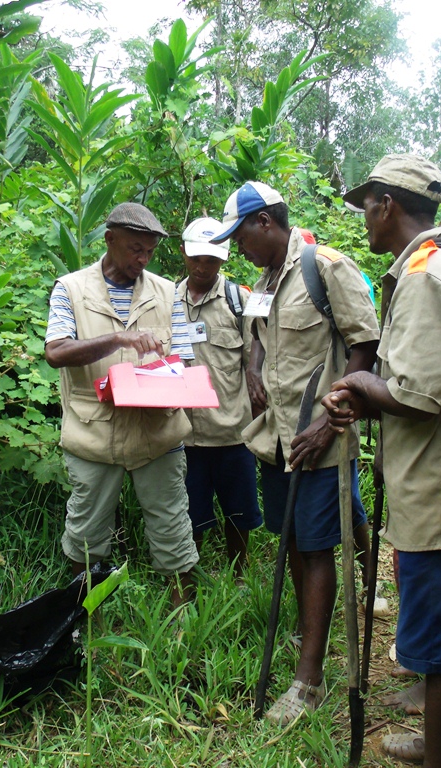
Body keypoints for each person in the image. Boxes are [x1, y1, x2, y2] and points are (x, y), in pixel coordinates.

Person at [323, 154, 441, 768]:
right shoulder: (433, 266)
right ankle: (432, 700)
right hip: (431, 466)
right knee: (431, 605)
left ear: (386, 204)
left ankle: (439, 751)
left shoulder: (428, 276)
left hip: (440, 477)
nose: (364, 217)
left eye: (367, 205)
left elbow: (416, 397)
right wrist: (366, 398)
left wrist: (359, 388)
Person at [210, 181, 380, 725]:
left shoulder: (325, 268)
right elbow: (260, 335)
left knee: (316, 547)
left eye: (241, 236)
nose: (238, 248)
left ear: (265, 222)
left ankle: (308, 680)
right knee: (294, 543)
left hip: (320, 442)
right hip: (277, 439)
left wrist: (330, 426)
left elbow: (366, 347)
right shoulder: (262, 280)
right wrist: (255, 370)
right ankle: (311, 633)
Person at [44, 202, 199, 608]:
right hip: (93, 432)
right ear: (109, 239)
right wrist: (118, 340)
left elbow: (182, 358)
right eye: (134, 249)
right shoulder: (71, 289)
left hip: (158, 433)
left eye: (148, 251)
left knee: (172, 526)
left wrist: (157, 379)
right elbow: (56, 352)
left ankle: (183, 620)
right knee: (86, 534)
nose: (142, 259)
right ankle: (84, 618)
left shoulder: (168, 292)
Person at [177, 217, 262, 581]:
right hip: (184, 433)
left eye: (210, 260)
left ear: (223, 260)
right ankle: (190, 575)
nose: (202, 267)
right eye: (196, 258)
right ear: (184, 253)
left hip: (232, 432)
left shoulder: (239, 300)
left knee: (238, 512)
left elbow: (254, 363)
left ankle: (239, 575)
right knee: (189, 512)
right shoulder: (166, 300)